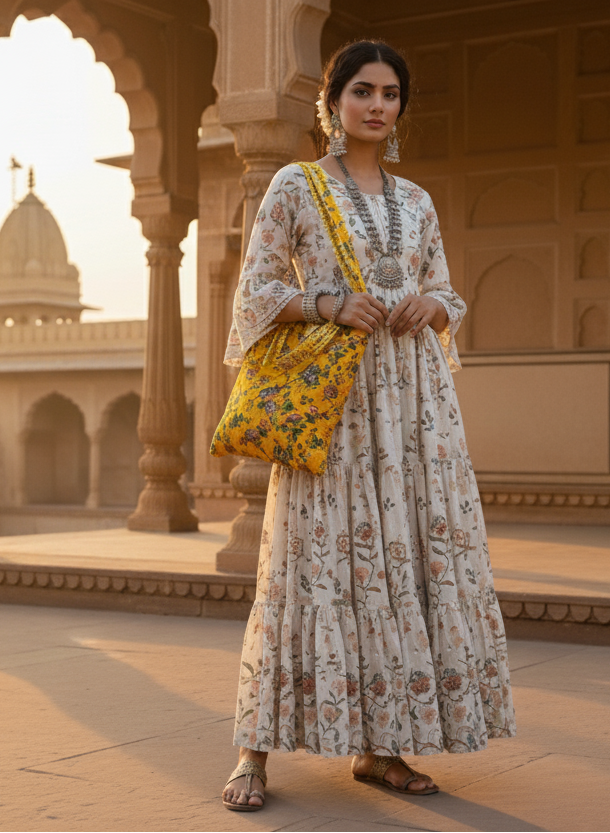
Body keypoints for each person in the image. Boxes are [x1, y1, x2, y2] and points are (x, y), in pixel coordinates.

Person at [221, 40, 515, 812]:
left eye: (390, 94)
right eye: (362, 91)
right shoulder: (296, 186)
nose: (378, 105)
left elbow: (448, 293)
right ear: (333, 102)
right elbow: (253, 293)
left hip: (412, 411)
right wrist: (326, 302)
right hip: (337, 408)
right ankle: (251, 749)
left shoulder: (416, 202)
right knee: (307, 563)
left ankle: (379, 747)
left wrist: (434, 307)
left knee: (395, 564)